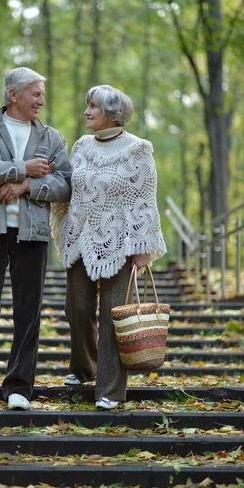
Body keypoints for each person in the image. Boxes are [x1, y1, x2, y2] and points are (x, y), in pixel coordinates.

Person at [0, 67, 71, 411]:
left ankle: (19, 386)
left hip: (32, 234)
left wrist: (27, 186)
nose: (42, 99)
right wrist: (21, 168)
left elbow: (66, 183)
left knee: (29, 311)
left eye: (42, 93)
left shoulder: (52, 138)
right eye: (36, 93)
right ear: (14, 95)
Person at [52, 85, 166, 410]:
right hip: (81, 239)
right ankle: (83, 367)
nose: (86, 112)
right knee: (78, 309)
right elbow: (72, 189)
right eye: (87, 106)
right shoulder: (82, 146)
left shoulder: (138, 149)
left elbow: (144, 198)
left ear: (112, 113)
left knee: (114, 315)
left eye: (93, 107)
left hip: (122, 243)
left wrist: (143, 248)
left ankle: (110, 390)